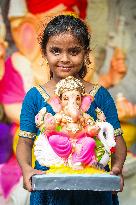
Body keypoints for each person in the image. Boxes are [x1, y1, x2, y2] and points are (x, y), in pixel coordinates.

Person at [16, 14, 127, 205]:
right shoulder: (34, 97)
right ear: (44, 52)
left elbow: (117, 139)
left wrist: (116, 169)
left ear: (85, 53)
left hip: (94, 190)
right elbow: (25, 142)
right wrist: (27, 169)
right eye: (56, 51)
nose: (65, 59)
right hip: (49, 192)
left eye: (74, 51)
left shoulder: (100, 96)